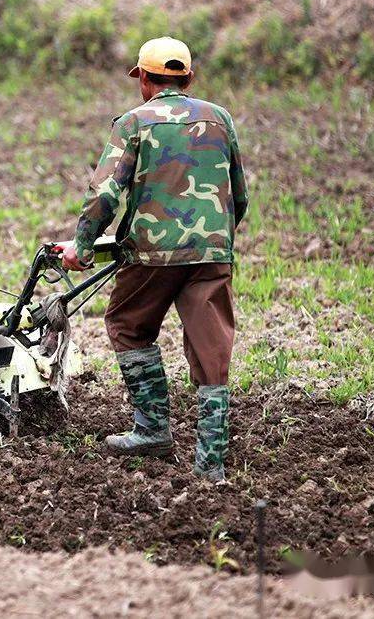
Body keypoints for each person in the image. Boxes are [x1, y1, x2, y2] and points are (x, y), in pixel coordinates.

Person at [61, 36, 248, 481]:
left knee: (128, 324)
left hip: (151, 254)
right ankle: (211, 465)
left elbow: (105, 193)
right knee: (211, 351)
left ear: (143, 79)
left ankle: (152, 429)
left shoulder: (134, 122)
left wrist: (82, 247)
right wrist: (214, 242)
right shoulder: (220, 119)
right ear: (189, 78)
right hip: (211, 251)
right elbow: (238, 194)